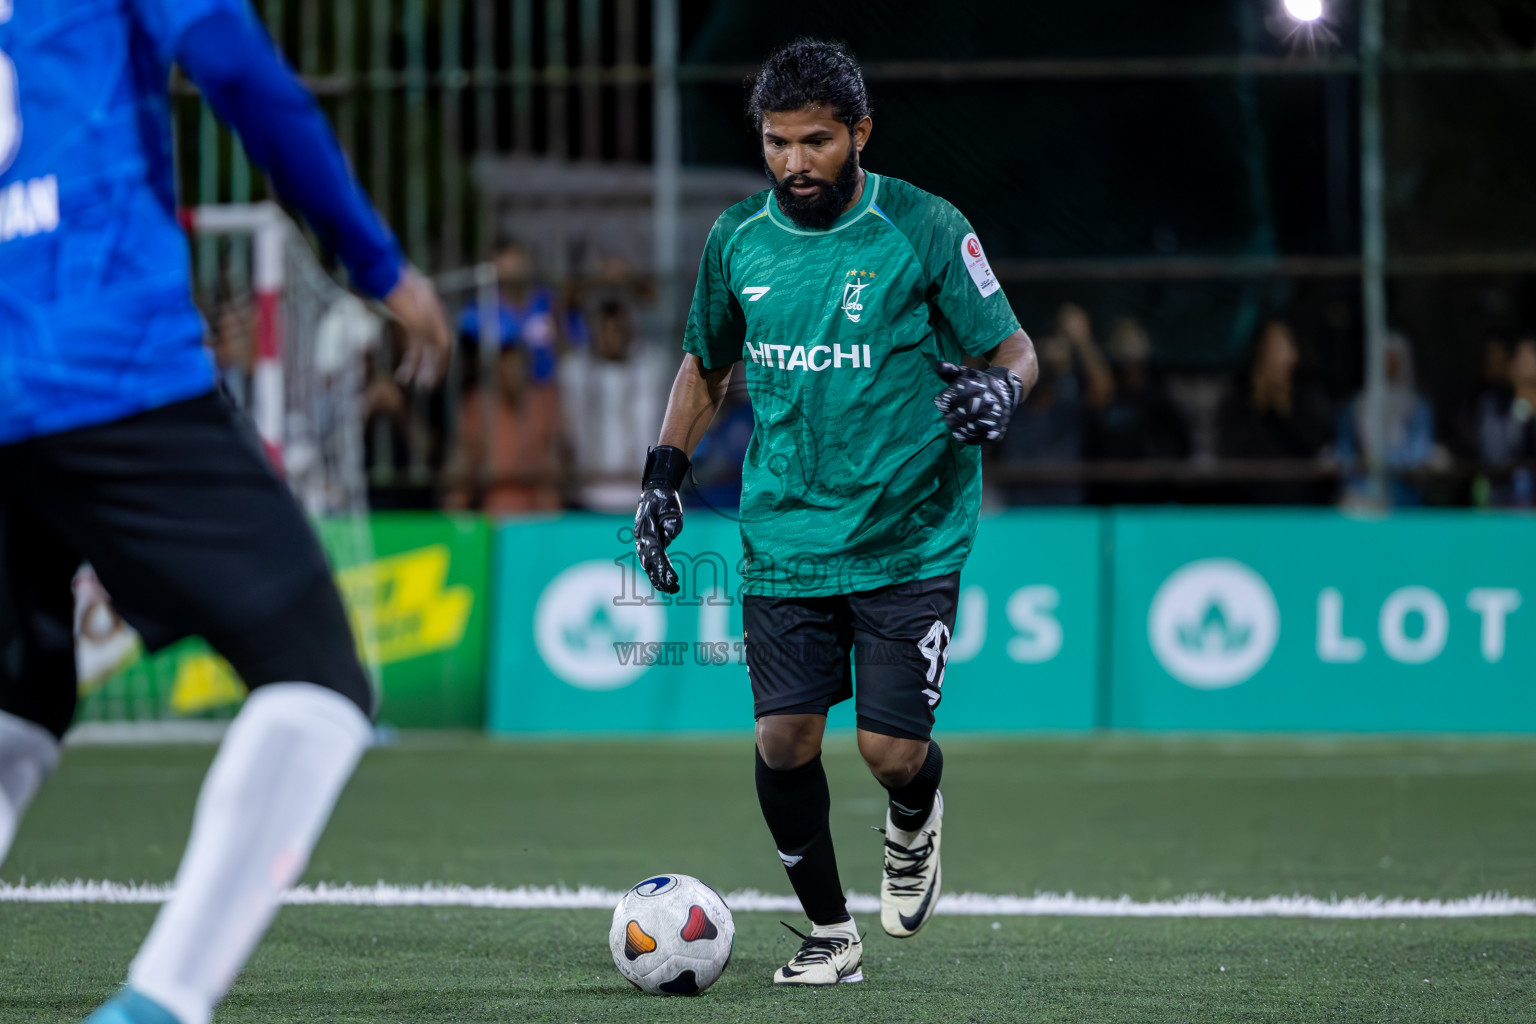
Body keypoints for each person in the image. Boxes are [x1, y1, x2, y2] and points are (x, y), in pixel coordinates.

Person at [0, 6, 450, 1024]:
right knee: (319, 677)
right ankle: (161, 1005)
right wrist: (375, 263)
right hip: (100, 359)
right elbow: (241, 74)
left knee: (19, 691)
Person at [632, 40, 1037, 986]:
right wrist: (661, 475)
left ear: (860, 132)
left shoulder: (925, 226)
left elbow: (1015, 348)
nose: (795, 163)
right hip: (784, 533)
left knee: (892, 752)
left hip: (911, 531)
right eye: (777, 143)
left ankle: (912, 820)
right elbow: (705, 365)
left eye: (816, 141)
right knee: (784, 738)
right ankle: (829, 933)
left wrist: (1003, 396)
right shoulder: (738, 239)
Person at [995, 303, 1113, 506]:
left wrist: (1081, 341)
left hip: (1065, 508)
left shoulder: (1068, 404)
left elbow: (1103, 392)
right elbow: (974, 387)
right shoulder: (1012, 402)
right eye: (1038, 352)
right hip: (1018, 510)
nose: (1044, 360)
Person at [1215, 319, 1333, 504]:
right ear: (1260, 351)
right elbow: (1231, 459)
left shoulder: (1306, 400)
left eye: (1284, 346)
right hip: (1251, 506)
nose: (1280, 355)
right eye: (1273, 347)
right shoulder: (1238, 402)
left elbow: (1317, 451)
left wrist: (1283, 409)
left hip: (1302, 505)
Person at [445, 339, 564, 514]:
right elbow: (466, 457)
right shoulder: (480, 406)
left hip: (536, 510)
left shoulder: (542, 404)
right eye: (507, 364)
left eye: (518, 365)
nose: (513, 372)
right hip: (494, 510)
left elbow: (553, 459)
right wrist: (458, 499)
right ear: (497, 369)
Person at [1085, 317, 1191, 503]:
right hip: (1113, 500)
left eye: (1134, 341)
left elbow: (1182, 448)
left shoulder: (1161, 397)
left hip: (1158, 498)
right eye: (1123, 343)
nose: (1130, 350)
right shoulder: (1108, 398)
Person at [1334, 332, 1437, 506]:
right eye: (1383, 358)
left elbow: (1418, 455)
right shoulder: (1356, 406)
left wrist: (1380, 460)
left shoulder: (1418, 408)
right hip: (1362, 493)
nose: (1387, 364)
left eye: (1392, 358)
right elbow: (1344, 454)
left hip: (1404, 496)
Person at [1475, 334, 1536, 506]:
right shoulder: (1494, 404)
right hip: (1504, 498)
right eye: (1523, 361)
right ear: (1511, 366)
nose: (1529, 367)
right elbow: (1494, 454)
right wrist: (1521, 410)